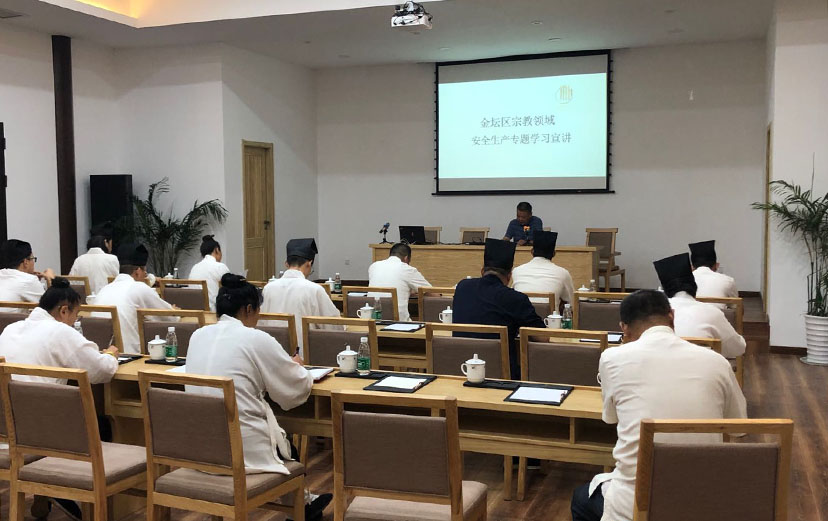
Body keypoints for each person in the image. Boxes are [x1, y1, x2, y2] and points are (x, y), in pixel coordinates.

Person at [571, 289, 746, 521]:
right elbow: (738, 427)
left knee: (580, 499)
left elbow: (610, 418)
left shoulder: (612, 358)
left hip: (636, 504)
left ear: (624, 328)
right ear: (672, 315)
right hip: (703, 500)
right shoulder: (717, 361)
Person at [186, 274, 332, 521]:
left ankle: (305, 504)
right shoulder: (254, 338)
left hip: (200, 448)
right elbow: (292, 388)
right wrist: (296, 365)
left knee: (281, 440)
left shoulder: (198, 335)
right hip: (241, 451)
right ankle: (301, 510)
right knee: (287, 447)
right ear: (248, 309)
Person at [0, 277, 120, 521]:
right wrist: (110, 354)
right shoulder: (60, 331)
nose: (75, 322)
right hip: (43, 435)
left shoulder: (11, 329)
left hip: (7, 431)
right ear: (64, 311)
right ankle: (67, 488)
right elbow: (101, 371)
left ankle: (45, 492)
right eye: (76, 316)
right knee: (103, 424)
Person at [453, 238, 545, 379]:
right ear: (509, 277)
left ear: (482, 271)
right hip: (502, 378)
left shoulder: (462, 287)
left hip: (461, 372)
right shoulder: (515, 298)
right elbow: (542, 337)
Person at [654, 253, 746, 358]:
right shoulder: (712, 312)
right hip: (702, 366)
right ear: (694, 287)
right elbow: (738, 349)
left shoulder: (652, 314)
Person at [261, 239, 342, 357]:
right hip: (304, 357)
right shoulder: (314, 289)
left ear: (286, 264)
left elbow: (261, 323)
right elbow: (334, 326)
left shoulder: (268, 288)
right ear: (309, 264)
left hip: (272, 355)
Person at [92, 243, 178, 353]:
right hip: (129, 356)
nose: (145, 276)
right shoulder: (138, 287)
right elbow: (170, 318)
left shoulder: (104, 289)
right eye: (145, 273)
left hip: (99, 354)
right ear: (137, 272)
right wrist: (174, 310)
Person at [511, 230, 575, 311]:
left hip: (521, 317)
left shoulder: (517, 271)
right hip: (548, 318)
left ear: (532, 251)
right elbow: (571, 303)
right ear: (554, 254)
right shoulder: (563, 273)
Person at [367, 242, 430, 321]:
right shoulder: (407, 269)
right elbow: (431, 291)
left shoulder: (374, 266)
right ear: (406, 258)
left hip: (373, 319)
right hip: (398, 323)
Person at [0, 239, 55, 311]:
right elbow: (52, 309)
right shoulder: (29, 280)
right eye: (33, 259)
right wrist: (50, 279)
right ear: (25, 262)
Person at [69, 222, 120, 294]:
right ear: (106, 242)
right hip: (106, 300)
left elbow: (71, 283)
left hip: (83, 300)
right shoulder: (112, 259)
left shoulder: (79, 260)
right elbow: (117, 283)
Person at [188, 235, 230, 312]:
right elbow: (231, 290)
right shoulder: (220, 267)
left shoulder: (194, 268)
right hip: (215, 312)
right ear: (217, 250)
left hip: (197, 312)